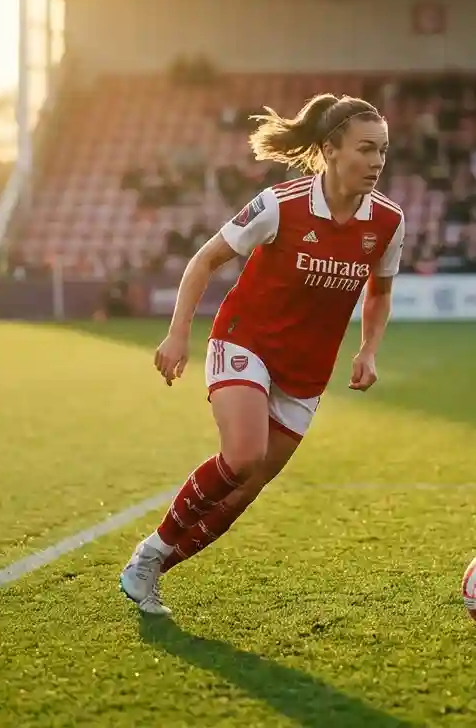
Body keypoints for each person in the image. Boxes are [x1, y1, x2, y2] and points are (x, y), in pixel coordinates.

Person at [119, 93, 404, 616]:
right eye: (366, 149)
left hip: (306, 370)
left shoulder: (387, 222)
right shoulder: (280, 204)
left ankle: (152, 571)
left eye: (383, 152)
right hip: (244, 340)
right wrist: (178, 333)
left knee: (243, 492)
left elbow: (379, 292)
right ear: (330, 150)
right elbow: (205, 261)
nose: (377, 162)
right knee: (243, 455)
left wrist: (368, 350)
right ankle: (150, 551)